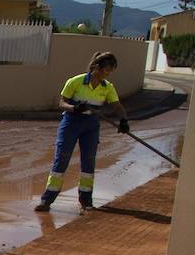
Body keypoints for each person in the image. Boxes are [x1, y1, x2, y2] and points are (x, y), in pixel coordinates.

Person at [35, 51, 130, 212]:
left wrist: (124, 120)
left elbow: (116, 105)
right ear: (96, 67)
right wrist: (74, 108)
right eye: (106, 70)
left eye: (110, 71)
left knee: (88, 161)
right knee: (62, 158)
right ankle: (47, 199)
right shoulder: (76, 82)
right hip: (71, 123)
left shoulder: (107, 87)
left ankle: (86, 200)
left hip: (91, 126)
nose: (107, 74)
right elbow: (62, 102)